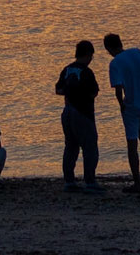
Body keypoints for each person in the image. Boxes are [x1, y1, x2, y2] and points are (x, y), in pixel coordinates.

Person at [104, 33, 140, 188]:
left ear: (108, 49)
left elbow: (118, 89)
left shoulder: (115, 63)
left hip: (133, 105)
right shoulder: (136, 52)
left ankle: (136, 183)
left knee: (132, 143)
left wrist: (121, 105)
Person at [55, 39, 100, 190]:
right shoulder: (87, 72)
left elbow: (59, 90)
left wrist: (71, 92)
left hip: (67, 111)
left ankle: (69, 181)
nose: (91, 59)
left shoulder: (67, 69)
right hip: (83, 113)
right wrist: (82, 94)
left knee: (71, 147)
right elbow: (93, 93)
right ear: (87, 54)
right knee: (90, 147)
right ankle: (90, 182)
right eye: (91, 56)